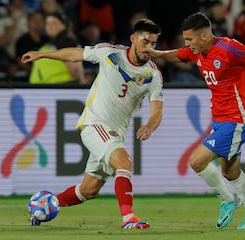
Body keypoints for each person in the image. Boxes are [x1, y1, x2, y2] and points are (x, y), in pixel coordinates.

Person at [21, 19, 164, 229]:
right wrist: (42, 54)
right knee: (124, 163)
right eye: (145, 42)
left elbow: (157, 110)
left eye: (153, 44)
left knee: (88, 190)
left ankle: (46, 204)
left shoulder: (153, 75)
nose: (149, 48)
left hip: (115, 133)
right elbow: (75, 55)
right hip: (94, 123)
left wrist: (150, 126)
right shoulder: (109, 52)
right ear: (133, 39)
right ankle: (129, 218)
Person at [147, 12, 245, 230]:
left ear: (204, 36)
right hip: (220, 119)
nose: (187, 43)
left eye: (189, 39)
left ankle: (227, 200)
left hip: (238, 119)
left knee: (197, 161)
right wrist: (155, 53)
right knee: (229, 172)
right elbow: (178, 54)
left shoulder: (230, 48)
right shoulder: (198, 52)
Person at [28, 12, 87, 85]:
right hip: (50, 89)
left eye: (54, 23)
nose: (50, 26)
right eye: (47, 23)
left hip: (61, 89)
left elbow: (76, 71)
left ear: (64, 25)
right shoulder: (53, 41)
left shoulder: (66, 41)